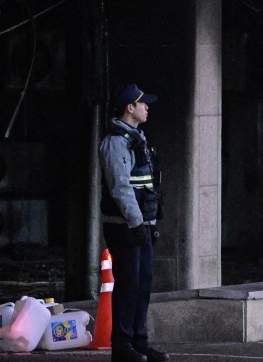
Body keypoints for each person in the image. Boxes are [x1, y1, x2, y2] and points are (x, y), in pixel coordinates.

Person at [99, 84, 169, 362]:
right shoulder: (116, 142)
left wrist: (149, 223)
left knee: (142, 285)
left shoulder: (137, 139)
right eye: (143, 104)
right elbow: (121, 188)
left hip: (142, 223)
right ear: (130, 108)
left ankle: (139, 342)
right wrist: (138, 224)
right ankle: (122, 346)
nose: (147, 107)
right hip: (124, 226)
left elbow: (149, 186)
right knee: (128, 285)